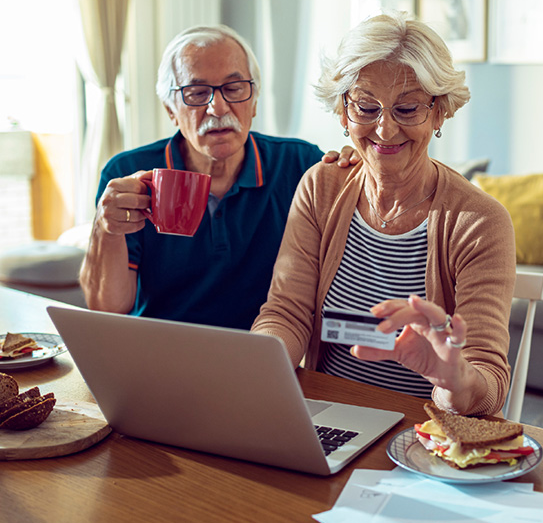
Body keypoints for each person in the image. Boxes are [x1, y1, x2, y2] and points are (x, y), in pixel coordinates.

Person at [252, 12, 516, 416]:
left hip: (425, 439)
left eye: (407, 109)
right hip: (326, 421)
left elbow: (488, 381)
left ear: (439, 112)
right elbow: (286, 313)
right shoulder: (322, 188)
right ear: (343, 112)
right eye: (366, 107)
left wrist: (451, 378)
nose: (385, 130)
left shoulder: (480, 222)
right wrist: (256, 368)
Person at [80, 24, 358, 330]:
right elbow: (107, 307)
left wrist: (360, 166)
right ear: (171, 110)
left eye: (234, 88)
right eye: (197, 93)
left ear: (254, 101)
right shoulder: (129, 174)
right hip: (160, 353)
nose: (218, 107)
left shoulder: (299, 163)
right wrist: (104, 228)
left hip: (264, 351)